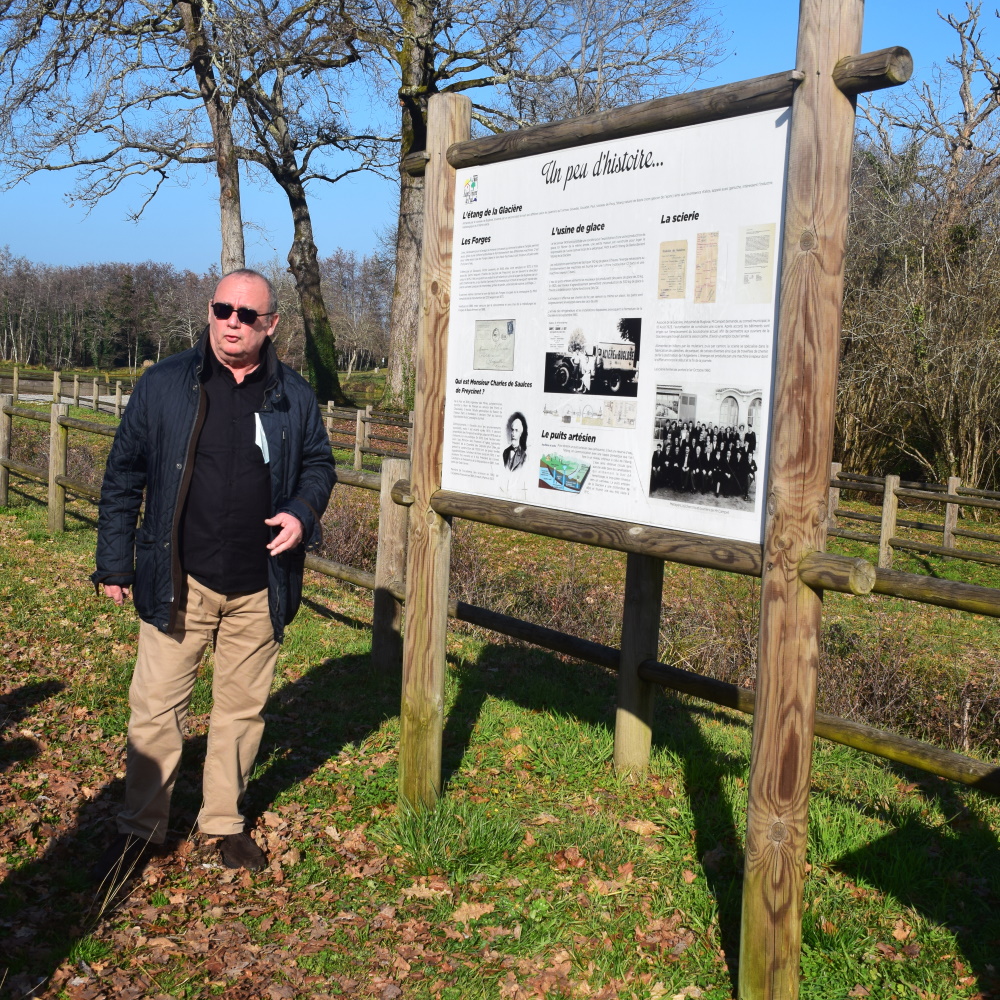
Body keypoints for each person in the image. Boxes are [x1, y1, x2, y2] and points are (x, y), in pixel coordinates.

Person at [90, 268, 336, 883]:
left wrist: (304, 513)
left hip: (261, 584)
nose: (234, 322)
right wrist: (116, 561)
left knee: (241, 712)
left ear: (271, 324)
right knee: (156, 710)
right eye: (224, 309)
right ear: (209, 311)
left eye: (248, 314)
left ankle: (223, 824)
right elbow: (124, 475)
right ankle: (141, 828)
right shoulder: (165, 383)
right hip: (180, 580)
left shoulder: (294, 396)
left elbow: (318, 465)